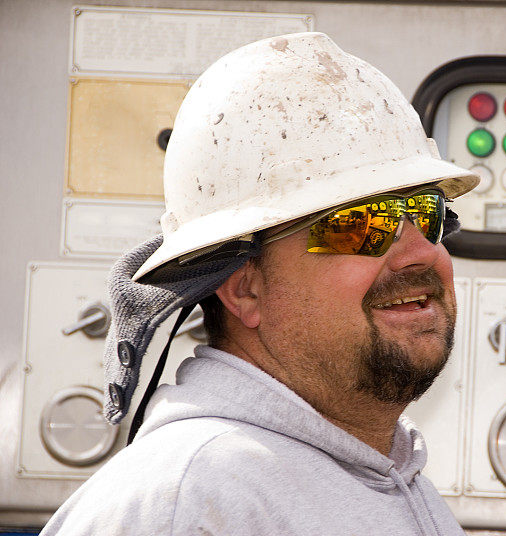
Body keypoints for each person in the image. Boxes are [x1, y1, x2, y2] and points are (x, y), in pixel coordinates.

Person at [40, 32, 478, 535]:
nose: (423, 252)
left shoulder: (389, 478)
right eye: (364, 223)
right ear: (245, 288)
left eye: (428, 215)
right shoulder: (190, 504)